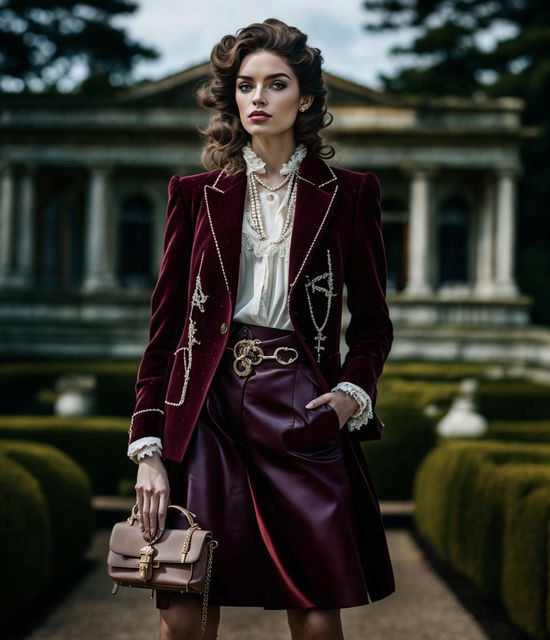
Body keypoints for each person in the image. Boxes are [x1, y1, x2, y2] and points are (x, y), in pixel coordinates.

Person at [126, 18, 395, 640]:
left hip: (302, 404)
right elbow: (165, 333)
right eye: (246, 85)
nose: (258, 98)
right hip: (207, 411)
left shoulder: (349, 194)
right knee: (183, 608)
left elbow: (374, 324)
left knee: (319, 615)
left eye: (276, 84)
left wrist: (351, 395)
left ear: (304, 99)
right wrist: (149, 448)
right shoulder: (194, 195)